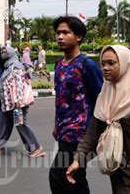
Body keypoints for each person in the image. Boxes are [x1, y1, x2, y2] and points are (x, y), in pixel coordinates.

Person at [66, 45, 130, 194]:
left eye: (111, 63)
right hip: (117, 172)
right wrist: (78, 160)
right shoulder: (105, 97)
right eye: (103, 63)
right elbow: (93, 134)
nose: (105, 68)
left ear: (125, 64)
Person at [49, 16, 104, 194]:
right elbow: (60, 99)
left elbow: (101, 97)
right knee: (75, 178)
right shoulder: (59, 65)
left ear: (78, 36)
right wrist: (56, 124)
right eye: (58, 33)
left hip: (81, 133)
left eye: (66, 32)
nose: (60, 37)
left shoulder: (86, 65)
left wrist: (97, 132)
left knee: (58, 176)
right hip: (64, 131)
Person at [0, 46, 44, 158]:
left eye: (5, 51)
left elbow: (19, 84)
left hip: (17, 103)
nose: (3, 53)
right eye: (2, 51)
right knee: (4, 125)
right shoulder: (7, 67)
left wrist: (18, 101)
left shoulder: (16, 66)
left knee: (22, 125)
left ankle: (37, 147)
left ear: (11, 53)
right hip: (7, 103)